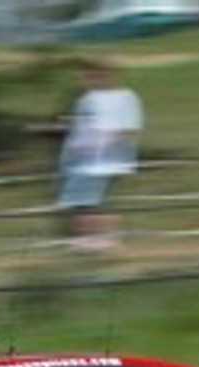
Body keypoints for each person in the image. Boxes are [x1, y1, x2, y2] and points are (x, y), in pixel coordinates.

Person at [56, 59, 145, 253]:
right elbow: (82, 128)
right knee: (84, 202)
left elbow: (123, 131)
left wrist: (101, 145)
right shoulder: (86, 99)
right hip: (81, 159)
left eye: (94, 76)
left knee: (90, 202)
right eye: (86, 76)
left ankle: (99, 241)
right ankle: (90, 241)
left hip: (100, 159)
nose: (88, 80)